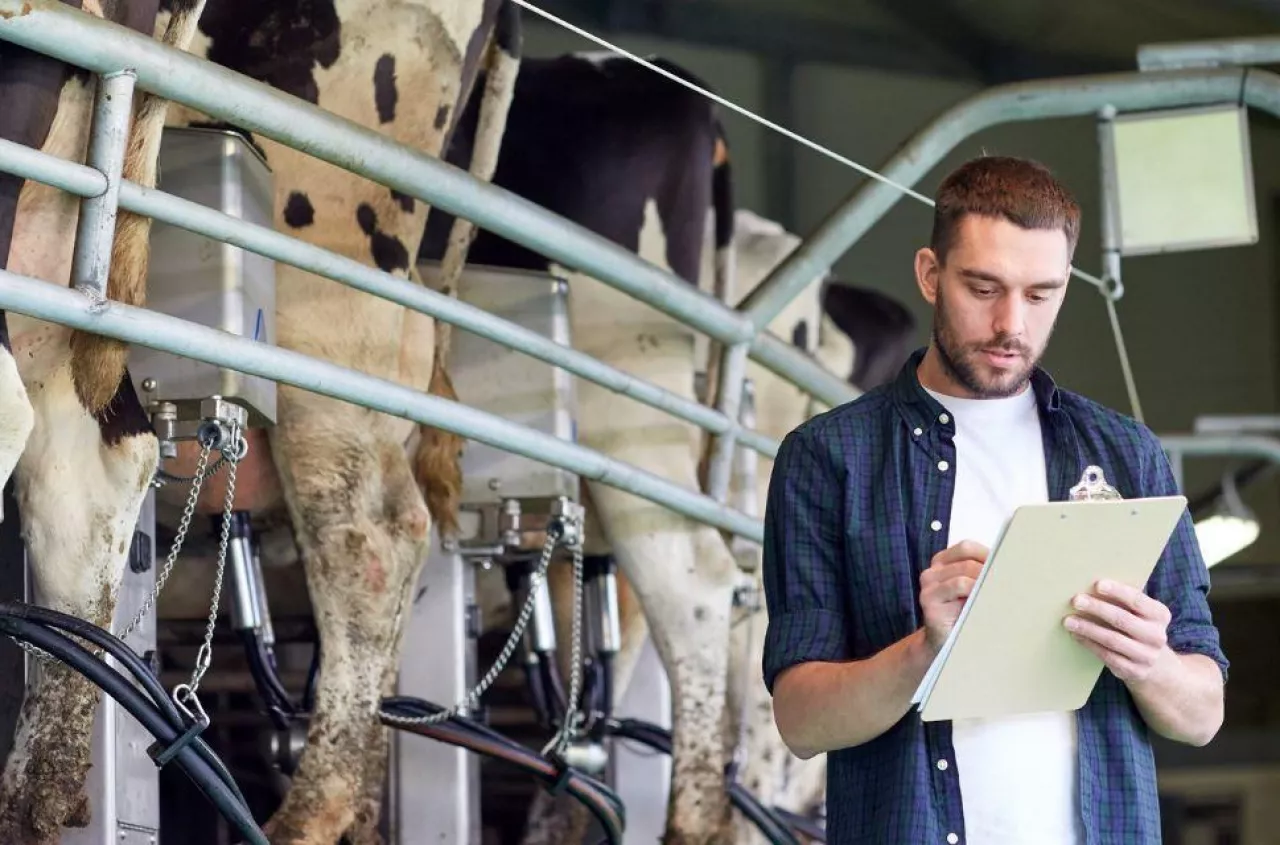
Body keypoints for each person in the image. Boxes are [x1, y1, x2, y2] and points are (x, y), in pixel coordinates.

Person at [760, 154, 1227, 845]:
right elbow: (800, 721)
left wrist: (1148, 659)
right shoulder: (831, 458)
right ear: (929, 274)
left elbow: (1202, 712)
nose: (1012, 323)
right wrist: (927, 650)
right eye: (984, 288)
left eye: (1040, 295)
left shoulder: (1127, 454)